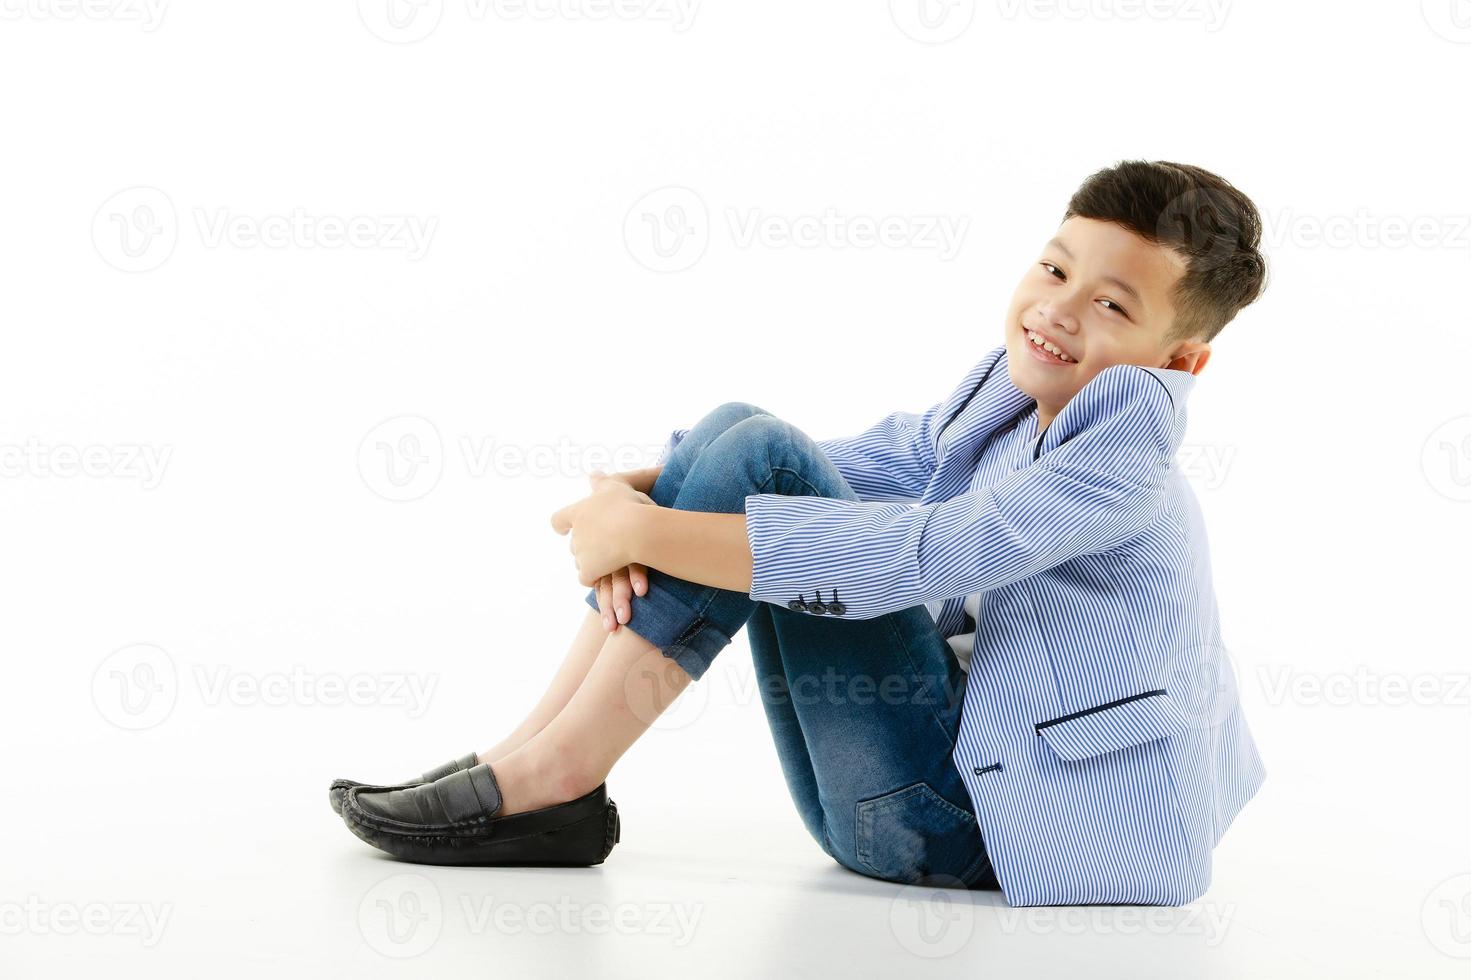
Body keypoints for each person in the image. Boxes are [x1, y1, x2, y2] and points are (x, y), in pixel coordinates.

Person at [331, 159, 1269, 907]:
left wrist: (649, 534)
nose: (1058, 309)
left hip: (975, 832)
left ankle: (554, 777)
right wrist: (649, 494)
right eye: (1055, 268)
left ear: (1179, 359)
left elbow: (915, 556)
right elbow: (875, 461)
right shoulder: (1015, 393)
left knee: (760, 461)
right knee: (738, 433)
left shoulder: (1122, 461)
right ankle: (533, 756)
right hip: (895, 803)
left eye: (1111, 304)